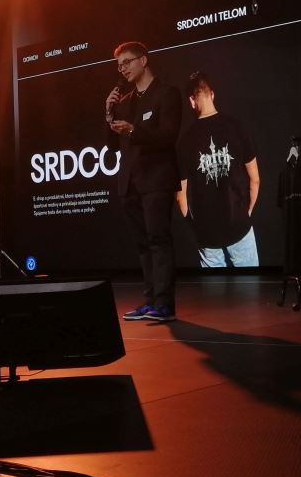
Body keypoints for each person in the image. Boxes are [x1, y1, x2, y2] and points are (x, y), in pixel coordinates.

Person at [105, 42, 182, 322]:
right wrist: (109, 113)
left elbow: (168, 136)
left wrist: (134, 130)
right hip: (130, 183)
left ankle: (164, 304)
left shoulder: (167, 93)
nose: (122, 69)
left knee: (158, 239)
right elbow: (112, 146)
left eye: (127, 62)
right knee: (142, 245)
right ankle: (150, 300)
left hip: (157, 179)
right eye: (119, 65)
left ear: (143, 60)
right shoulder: (125, 102)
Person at [176, 72, 260, 268]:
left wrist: (195, 227)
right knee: (249, 284)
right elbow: (255, 179)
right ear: (212, 94)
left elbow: (180, 197)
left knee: (215, 287)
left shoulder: (185, 141)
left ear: (191, 101)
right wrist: (246, 212)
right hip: (238, 225)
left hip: (207, 233)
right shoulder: (237, 127)